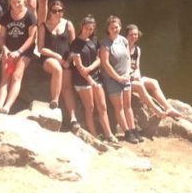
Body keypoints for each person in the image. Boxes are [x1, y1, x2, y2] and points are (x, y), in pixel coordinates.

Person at [69, 15, 116, 144]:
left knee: (102, 106)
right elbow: (79, 67)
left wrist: (89, 69)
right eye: (86, 28)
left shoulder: (94, 40)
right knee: (90, 107)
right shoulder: (75, 44)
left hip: (95, 76)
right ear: (81, 27)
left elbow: (99, 59)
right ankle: (94, 136)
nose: (88, 31)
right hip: (82, 80)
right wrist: (90, 80)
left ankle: (109, 134)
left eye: (91, 29)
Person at [99, 15, 141, 143]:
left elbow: (128, 57)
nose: (115, 29)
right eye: (112, 28)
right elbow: (105, 64)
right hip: (112, 79)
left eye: (117, 27)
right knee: (120, 107)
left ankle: (133, 130)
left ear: (120, 27)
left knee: (128, 106)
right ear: (108, 29)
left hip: (125, 77)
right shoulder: (105, 44)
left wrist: (128, 73)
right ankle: (127, 132)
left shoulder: (123, 40)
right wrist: (117, 78)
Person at [0, 0, 36, 114]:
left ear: (24, 0)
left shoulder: (29, 16)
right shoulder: (6, 16)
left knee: (17, 76)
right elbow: (1, 36)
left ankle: (7, 107)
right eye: (13, 2)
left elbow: (31, 38)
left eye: (18, 2)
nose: (16, 4)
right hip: (9, 49)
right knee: (5, 76)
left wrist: (18, 52)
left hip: (24, 50)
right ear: (10, 3)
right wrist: (5, 49)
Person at [41, 0, 78, 131]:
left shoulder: (68, 24)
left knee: (67, 87)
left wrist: (68, 60)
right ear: (50, 12)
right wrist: (57, 57)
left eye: (60, 10)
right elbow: (41, 48)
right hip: (49, 58)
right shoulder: (44, 26)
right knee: (57, 68)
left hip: (66, 60)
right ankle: (54, 101)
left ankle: (73, 119)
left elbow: (74, 46)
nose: (58, 13)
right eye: (55, 11)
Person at [125, 24, 177, 119]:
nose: (134, 37)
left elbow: (137, 67)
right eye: (131, 35)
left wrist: (138, 76)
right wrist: (132, 76)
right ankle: (157, 110)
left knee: (153, 82)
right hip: (126, 79)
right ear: (126, 36)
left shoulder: (137, 50)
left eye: (135, 34)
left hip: (134, 77)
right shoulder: (123, 49)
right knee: (140, 85)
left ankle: (168, 108)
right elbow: (123, 68)